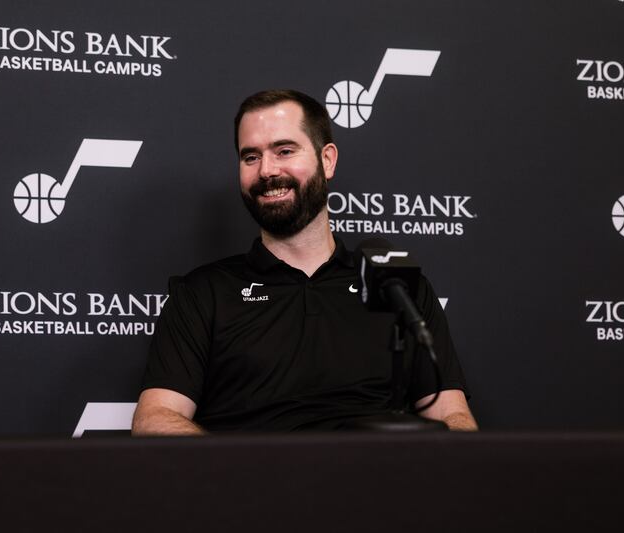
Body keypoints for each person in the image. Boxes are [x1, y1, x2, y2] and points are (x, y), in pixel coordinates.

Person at [132, 89, 477, 435]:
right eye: (250, 157)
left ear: (327, 160)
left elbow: (455, 419)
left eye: (284, 150)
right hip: (248, 485)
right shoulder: (203, 294)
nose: (267, 170)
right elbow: (155, 419)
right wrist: (246, 474)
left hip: (375, 482)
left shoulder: (396, 288)